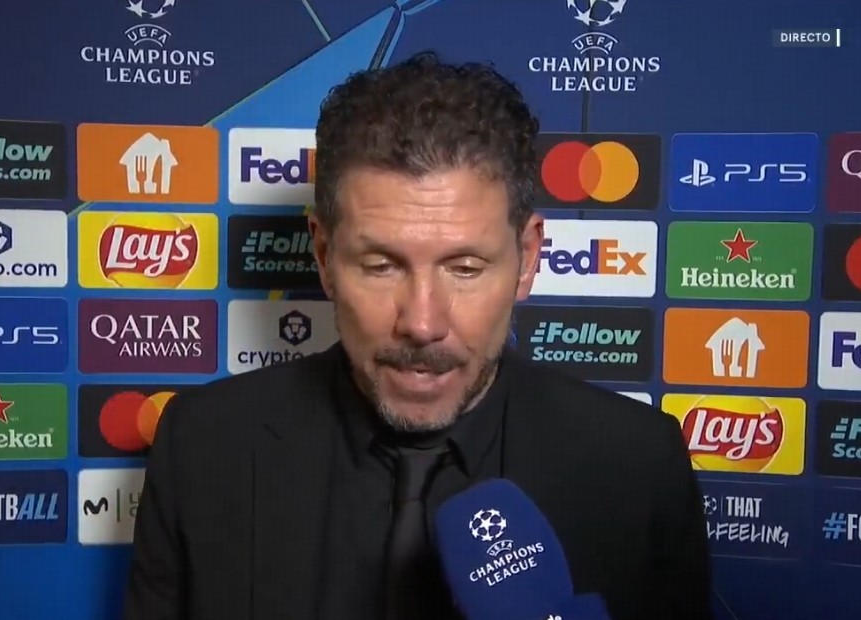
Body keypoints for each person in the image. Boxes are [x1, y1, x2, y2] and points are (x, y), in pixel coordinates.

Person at [122, 51, 714, 620]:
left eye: (465, 268)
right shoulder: (204, 447)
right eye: (381, 266)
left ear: (528, 259)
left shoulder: (636, 464)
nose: (423, 323)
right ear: (324, 256)